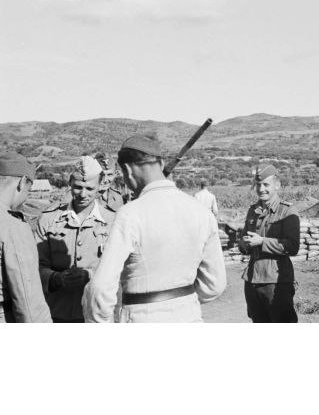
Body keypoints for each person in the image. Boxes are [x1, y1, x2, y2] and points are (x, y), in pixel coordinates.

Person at [82, 133, 226, 322]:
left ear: (127, 170)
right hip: (189, 315)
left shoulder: (129, 214)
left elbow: (100, 288)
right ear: (161, 165)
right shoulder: (201, 212)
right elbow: (215, 284)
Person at [35, 156, 116, 323]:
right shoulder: (48, 219)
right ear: (70, 183)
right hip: (57, 311)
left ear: (100, 186)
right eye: (78, 187)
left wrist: (90, 275)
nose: (83, 194)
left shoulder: (113, 221)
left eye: (89, 188)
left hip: (97, 312)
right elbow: (36, 265)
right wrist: (55, 278)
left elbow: (120, 270)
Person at [238, 164, 300, 322]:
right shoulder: (253, 210)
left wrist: (262, 242)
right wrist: (243, 245)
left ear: (277, 185)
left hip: (275, 281)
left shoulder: (287, 211)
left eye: (266, 184)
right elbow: (245, 241)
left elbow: (293, 246)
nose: (261, 189)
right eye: (258, 185)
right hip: (252, 280)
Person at [0, 152, 52, 323]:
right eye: (28, 191)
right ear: (22, 182)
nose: (26, 197)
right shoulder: (13, 228)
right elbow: (29, 306)